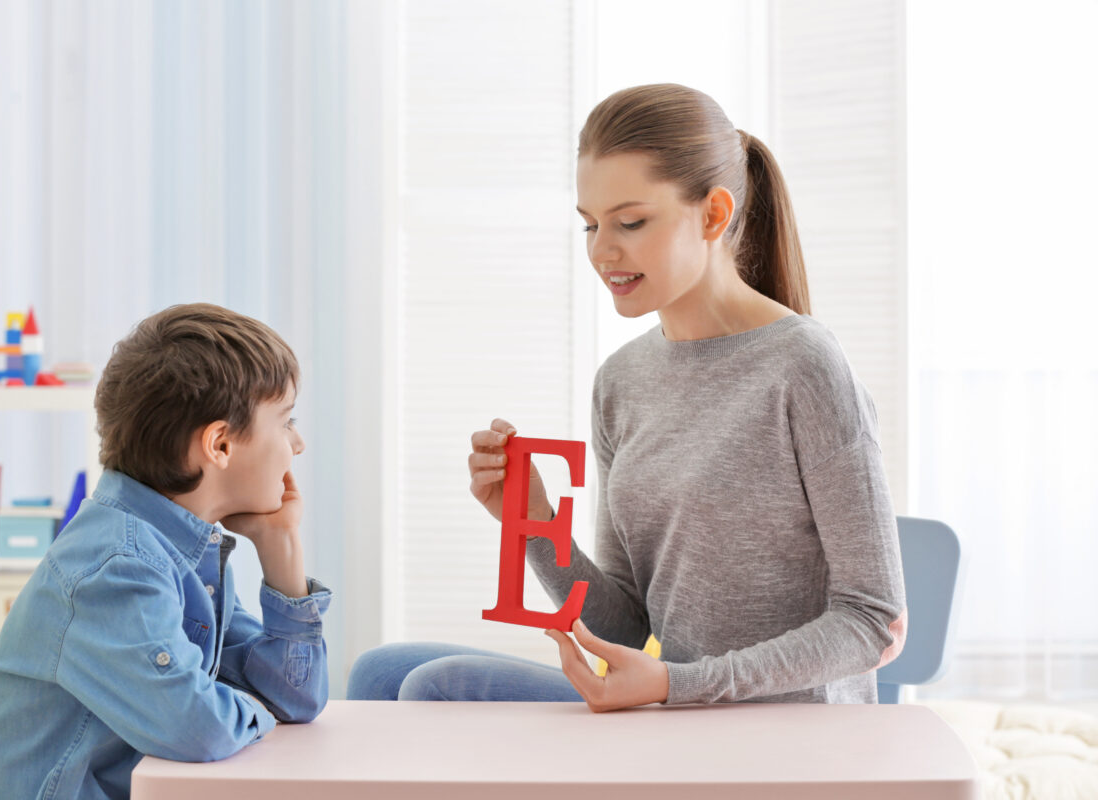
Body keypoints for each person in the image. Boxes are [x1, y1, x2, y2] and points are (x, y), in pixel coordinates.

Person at [348, 83, 907, 711]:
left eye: (631, 222)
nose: (601, 250)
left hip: (774, 725)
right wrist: (533, 525)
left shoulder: (805, 365)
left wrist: (676, 684)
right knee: (379, 672)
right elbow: (629, 625)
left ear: (714, 215)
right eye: (589, 224)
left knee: (436, 688)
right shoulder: (622, 380)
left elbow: (873, 619)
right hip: (678, 704)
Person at [0, 303, 332, 799]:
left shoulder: (181, 548)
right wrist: (256, 707)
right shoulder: (118, 566)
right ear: (220, 445)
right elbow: (197, 727)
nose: (298, 443)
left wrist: (282, 547)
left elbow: (296, 699)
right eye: (286, 420)